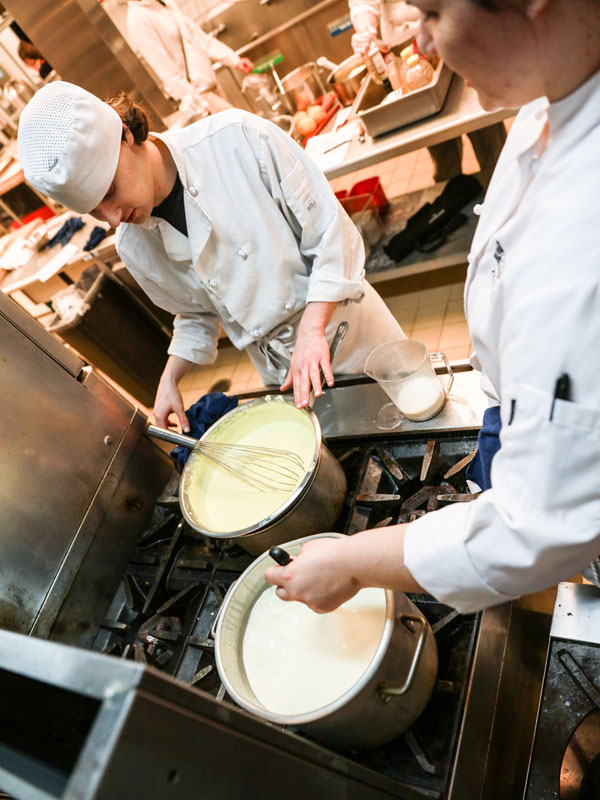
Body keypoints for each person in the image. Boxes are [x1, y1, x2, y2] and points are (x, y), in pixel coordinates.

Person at [265, 0, 600, 614]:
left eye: (433, 13)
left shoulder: (586, 228)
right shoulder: (546, 108)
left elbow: (536, 528)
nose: (417, 46)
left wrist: (350, 562)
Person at [17, 82, 405, 430]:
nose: (113, 218)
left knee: (416, 422)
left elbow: (331, 233)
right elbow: (196, 310)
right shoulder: (132, 244)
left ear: (124, 134)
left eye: (108, 193)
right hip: (283, 372)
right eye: (93, 212)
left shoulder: (236, 140)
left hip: (350, 334)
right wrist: (170, 377)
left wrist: (311, 328)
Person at [348, 0, 507, 182]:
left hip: (457, 35)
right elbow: (363, 4)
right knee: (443, 153)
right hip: (408, 56)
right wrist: (365, 32)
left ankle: (507, 191)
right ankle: (453, 197)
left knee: (489, 138)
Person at [125, 0, 253, 114]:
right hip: (200, 97)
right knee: (241, 125)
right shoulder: (137, 20)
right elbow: (167, 71)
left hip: (211, 85)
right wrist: (202, 105)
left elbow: (198, 38)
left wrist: (234, 59)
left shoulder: (163, 3)